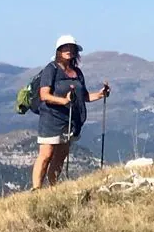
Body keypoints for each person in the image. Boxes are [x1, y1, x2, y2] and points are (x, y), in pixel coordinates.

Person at [33, 35, 109, 190]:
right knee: (46, 155)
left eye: (71, 48)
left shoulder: (77, 73)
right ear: (59, 51)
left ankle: (53, 188)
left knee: (60, 157)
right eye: (65, 48)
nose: (68, 50)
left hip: (70, 121)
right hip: (51, 119)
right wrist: (64, 101)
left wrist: (101, 94)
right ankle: (36, 189)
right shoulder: (51, 69)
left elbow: (84, 96)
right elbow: (44, 95)